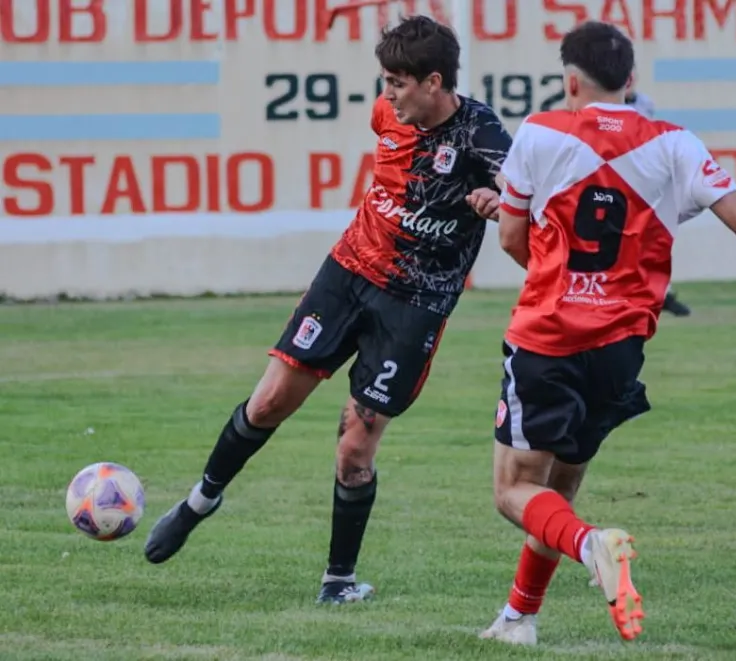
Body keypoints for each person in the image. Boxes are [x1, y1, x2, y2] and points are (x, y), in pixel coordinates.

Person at [479, 21, 736, 645]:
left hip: (548, 338)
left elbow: (512, 239)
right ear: (632, 80)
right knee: (559, 488)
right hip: (619, 351)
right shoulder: (674, 143)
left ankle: (594, 545)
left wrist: (553, 271)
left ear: (569, 80)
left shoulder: (538, 132)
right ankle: (518, 620)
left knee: (515, 489)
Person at [143, 15, 514, 606]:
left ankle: (337, 581)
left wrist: (500, 201)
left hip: (415, 305)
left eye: (398, 82)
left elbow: (528, 193)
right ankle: (200, 501)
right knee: (268, 402)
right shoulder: (386, 116)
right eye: (385, 80)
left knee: (355, 446)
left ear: (434, 81)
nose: (387, 93)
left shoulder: (482, 133)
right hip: (346, 275)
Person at [625, 80, 691, 317]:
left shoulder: (643, 103)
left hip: (641, 179)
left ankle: (662, 293)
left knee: (652, 239)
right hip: (616, 178)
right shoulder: (602, 105)